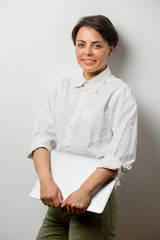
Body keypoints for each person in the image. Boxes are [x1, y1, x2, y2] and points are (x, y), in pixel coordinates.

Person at [28, 15, 138, 240]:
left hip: (93, 201)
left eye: (96, 45)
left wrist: (85, 191)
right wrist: (46, 182)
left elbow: (119, 155)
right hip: (57, 200)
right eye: (81, 44)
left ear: (110, 50)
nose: (87, 51)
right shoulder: (61, 87)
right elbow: (42, 138)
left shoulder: (120, 92)